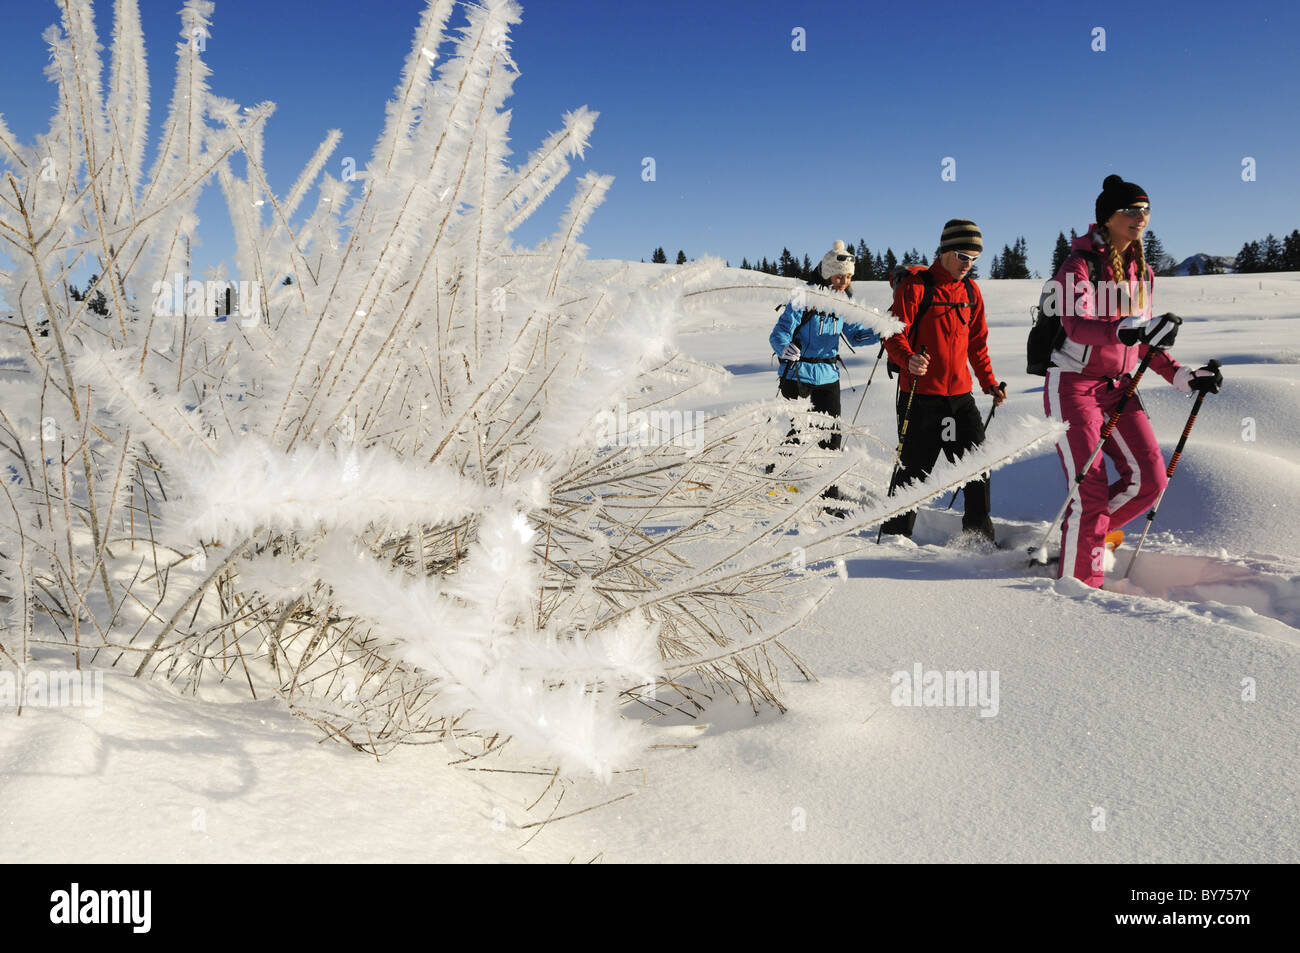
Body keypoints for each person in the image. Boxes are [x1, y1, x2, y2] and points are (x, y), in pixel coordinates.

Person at [1044, 175, 1223, 587]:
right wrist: (1124, 330)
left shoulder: (1142, 272)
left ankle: (1088, 538)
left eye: (1145, 210)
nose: (1139, 217)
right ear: (1107, 218)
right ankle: (1078, 589)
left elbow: (1144, 340)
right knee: (1089, 492)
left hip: (1120, 386)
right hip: (1073, 383)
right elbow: (1076, 324)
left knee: (1151, 480)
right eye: (1130, 210)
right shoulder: (1079, 265)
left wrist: (1182, 375)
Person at [879, 219, 1006, 541]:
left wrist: (989, 383)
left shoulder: (970, 290)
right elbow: (892, 333)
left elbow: (977, 343)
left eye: (975, 259)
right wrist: (908, 359)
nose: (969, 264)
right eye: (963, 256)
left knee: (977, 467)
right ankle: (894, 538)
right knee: (913, 471)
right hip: (920, 395)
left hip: (960, 396)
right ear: (946, 251)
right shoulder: (917, 286)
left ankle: (978, 538)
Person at [768, 240, 879, 501]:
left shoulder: (844, 301)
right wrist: (784, 348)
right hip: (797, 372)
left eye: (849, 277)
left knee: (831, 434)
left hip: (829, 375)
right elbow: (780, 331)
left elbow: (853, 334)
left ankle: (828, 492)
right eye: (840, 276)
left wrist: (879, 332)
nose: (844, 281)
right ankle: (772, 478)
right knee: (799, 432)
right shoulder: (804, 297)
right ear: (828, 272)